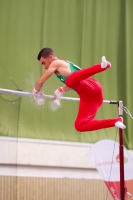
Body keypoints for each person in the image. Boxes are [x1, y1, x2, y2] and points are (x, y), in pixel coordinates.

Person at [33, 47, 126, 131]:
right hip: (91, 97)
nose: (44, 67)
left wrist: (36, 91)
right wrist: (61, 90)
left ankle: (102, 66)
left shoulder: (56, 63)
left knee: (69, 81)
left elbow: (41, 81)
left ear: (50, 57)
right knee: (79, 125)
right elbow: (75, 83)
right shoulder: (64, 64)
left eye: (43, 63)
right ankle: (115, 121)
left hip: (92, 85)